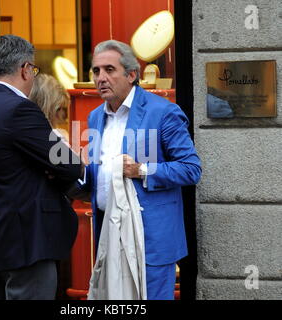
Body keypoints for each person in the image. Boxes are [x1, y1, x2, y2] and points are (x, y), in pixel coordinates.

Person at [0, 34, 83, 300]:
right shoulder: (19, 109)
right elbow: (71, 165)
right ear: (26, 69)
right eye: (33, 69)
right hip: (27, 245)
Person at [82, 40, 202, 300]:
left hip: (150, 239)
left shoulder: (163, 112)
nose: (101, 78)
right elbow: (97, 175)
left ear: (131, 74)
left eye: (109, 70)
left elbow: (191, 169)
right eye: (96, 71)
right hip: (108, 235)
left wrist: (142, 170)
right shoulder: (94, 117)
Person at [29, 73, 70, 141]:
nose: (62, 116)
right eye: (58, 109)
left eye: (64, 109)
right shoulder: (58, 137)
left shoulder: (21, 131)